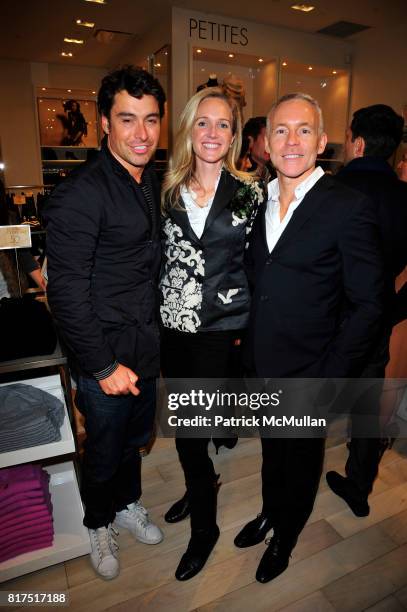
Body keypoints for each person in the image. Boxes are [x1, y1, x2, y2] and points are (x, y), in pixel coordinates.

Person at [235, 93, 383, 583]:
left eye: (303, 130)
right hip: (263, 364)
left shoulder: (348, 206)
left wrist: (331, 372)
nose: (291, 141)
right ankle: (269, 511)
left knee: (300, 459)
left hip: (311, 371)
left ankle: (287, 533)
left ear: (322, 141)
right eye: (280, 130)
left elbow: (369, 304)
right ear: (265, 142)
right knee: (272, 450)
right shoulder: (263, 201)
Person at [44, 66, 166, 580]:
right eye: (128, 119)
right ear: (103, 124)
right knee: (104, 448)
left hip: (145, 347)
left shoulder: (150, 182)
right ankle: (99, 521)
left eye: (152, 120)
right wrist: (101, 365)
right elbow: (65, 291)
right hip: (105, 356)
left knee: (136, 440)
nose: (142, 134)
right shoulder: (82, 192)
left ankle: (127, 503)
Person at [160, 87, 264, 581]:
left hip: (220, 328)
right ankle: (197, 483)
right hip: (171, 326)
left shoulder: (249, 191)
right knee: (183, 425)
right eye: (204, 121)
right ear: (188, 127)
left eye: (224, 124)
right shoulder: (164, 187)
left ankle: (206, 529)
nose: (213, 132)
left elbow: (259, 263)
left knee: (190, 430)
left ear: (234, 134)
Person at [326, 104, 407, 516]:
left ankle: (293, 486)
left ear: (357, 143)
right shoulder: (404, 198)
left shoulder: (331, 189)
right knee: (366, 407)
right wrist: (393, 309)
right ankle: (358, 486)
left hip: (327, 317)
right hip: (375, 320)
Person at [238, 116, 275, 182]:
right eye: (266, 139)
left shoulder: (275, 173)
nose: (270, 145)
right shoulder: (240, 172)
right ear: (250, 141)